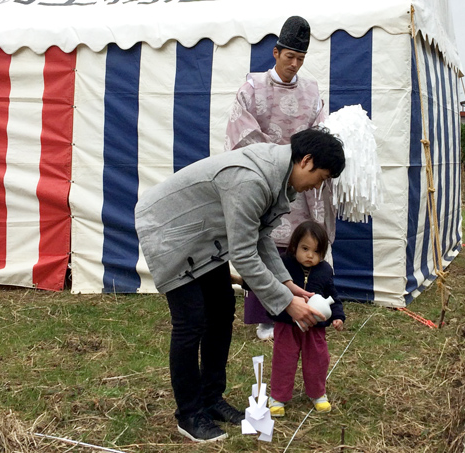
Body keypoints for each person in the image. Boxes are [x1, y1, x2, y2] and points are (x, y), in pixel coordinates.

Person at [135, 127, 345, 442]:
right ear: (307, 160)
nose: (319, 185)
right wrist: (287, 304)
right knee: (190, 322)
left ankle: (211, 399)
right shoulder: (252, 180)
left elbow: (260, 236)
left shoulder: (278, 174)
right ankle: (189, 414)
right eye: (322, 176)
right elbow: (245, 255)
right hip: (171, 232)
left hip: (206, 238)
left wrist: (287, 284)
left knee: (221, 310)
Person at [226, 15, 336, 341]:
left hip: (302, 182)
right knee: (262, 240)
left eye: (301, 59)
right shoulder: (252, 89)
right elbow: (241, 134)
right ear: (276, 53)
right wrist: (277, 163)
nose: (295, 64)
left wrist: (307, 165)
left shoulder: (312, 91)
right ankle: (263, 316)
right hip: (265, 176)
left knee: (297, 242)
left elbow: (320, 131)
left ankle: (302, 304)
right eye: (290, 57)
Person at [266, 220, 345, 417]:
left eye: (317, 252)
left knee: (318, 360)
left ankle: (318, 393)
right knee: (284, 359)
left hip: (315, 327)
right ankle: (278, 396)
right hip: (287, 323)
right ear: (294, 246)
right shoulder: (284, 265)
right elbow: (271, 288)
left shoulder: (325, 270)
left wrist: (337, 316)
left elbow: (332, 296)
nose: (310, 255)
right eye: (305, 248)